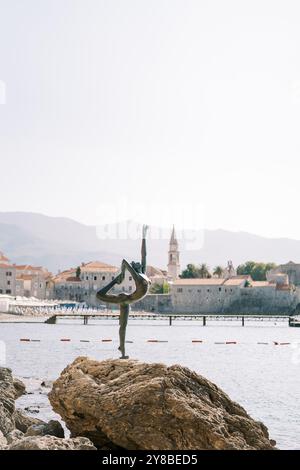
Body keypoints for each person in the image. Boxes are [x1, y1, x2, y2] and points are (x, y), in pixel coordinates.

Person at [97, 224, 150, 358]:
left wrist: (144, 236)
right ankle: (114, 281)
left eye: (138, 263)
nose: (138, 263)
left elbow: (144, 254)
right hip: (125, 299)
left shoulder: (143, 273)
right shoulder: (138, 277)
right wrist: (121, 274)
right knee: (99, 295)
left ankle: (122, 350)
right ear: (135, 268)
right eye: (136, 264)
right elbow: (125, 261)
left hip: (128, 300)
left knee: (123, 326)